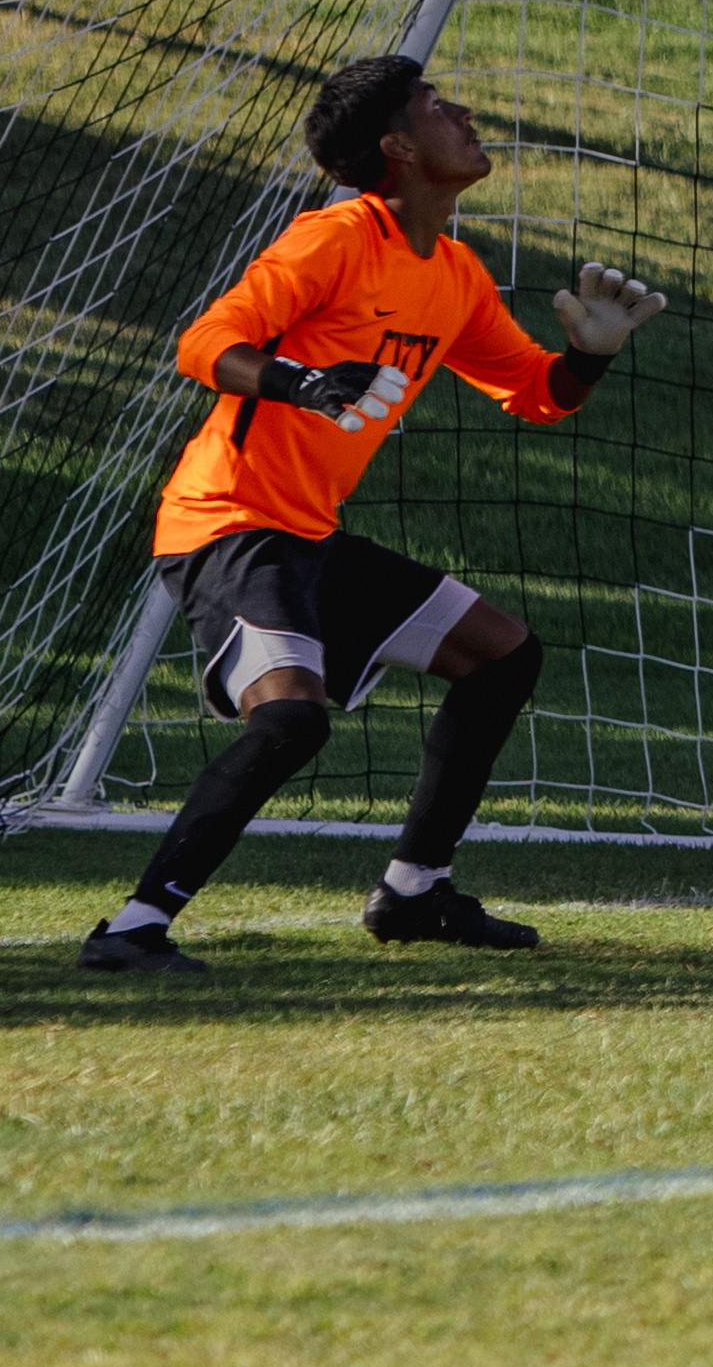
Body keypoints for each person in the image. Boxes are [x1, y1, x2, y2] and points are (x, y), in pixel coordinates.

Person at [78, 56, 667, 974]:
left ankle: (414, 891)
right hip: (227, 525)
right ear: (398, 147)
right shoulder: (332, 240)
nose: (464, 113)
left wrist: (587, 357)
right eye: (438, 106)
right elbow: (204, 344)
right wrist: (302, 382)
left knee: (504, 652)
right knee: (291, 725)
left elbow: (537, 395)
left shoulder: (457, 272)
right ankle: (132, 929)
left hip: (307, 533)